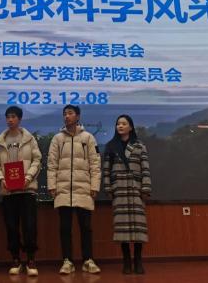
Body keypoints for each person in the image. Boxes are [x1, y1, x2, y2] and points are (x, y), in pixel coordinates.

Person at [47, 104, 101, 275]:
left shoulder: (88, 138)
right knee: (65, 228)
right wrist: (52, 185)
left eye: (70, 113)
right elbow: (52, 164)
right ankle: (67, 261)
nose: (67, 116)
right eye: (65, 114)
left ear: (77, 116)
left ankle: (88, 260)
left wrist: (95, 186)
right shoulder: (57, 139)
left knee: (86, 227)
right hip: (63, 189)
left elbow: (95, 164)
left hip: (83, 188)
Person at [0, 105, 41, 277]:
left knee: (29, 226)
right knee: (11, 227)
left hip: (27, 190)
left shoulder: (29, 138)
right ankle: (15, 259)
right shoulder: (0, 140)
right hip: (8, 191)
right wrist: (2, 179)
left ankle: (31, 259)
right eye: (8, 117)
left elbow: (37, 160)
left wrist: (28, 178)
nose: (10, 120)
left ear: (20, 119)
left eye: (13, 116)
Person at [103, 115, 151, 274]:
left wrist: (145, 188)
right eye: (118, 124)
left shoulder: (139, 146)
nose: (120, 126)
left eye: (124, 123)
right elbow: (106, 170)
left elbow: (145, 169)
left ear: (131, 127)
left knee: (138, 227)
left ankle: (138, 260)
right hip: (120, 190)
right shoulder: (111, 146)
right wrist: (108, 188)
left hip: (135, 190)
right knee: (122, 227)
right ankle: (126, 261)